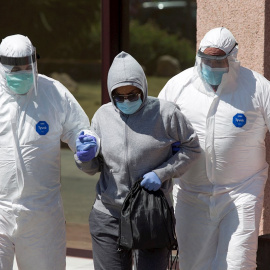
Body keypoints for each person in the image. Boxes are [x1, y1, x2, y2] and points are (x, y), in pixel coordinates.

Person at [74, 51, 200, 270]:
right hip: (108, 215)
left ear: (143, 87)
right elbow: (94, 167)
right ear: (111, 94)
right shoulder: (103, 116)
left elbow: (192, 148)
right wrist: (84, 158)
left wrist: (161, 173)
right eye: (119, 96)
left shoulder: (165, 113)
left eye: (133, 94)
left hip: (151, 214)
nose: (126, 101)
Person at [158, 26, 270, 270]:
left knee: (238, 263)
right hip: (190, 194)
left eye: (217, 60)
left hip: (241, 192)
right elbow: (156, 132)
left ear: (232, 57)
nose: (209, 66)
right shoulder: (179, 86)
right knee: (193, 264)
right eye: (205, 59)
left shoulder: (258, 88)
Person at [0, 34, 98, 270]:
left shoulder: (52, 92)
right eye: (15, 69)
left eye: (27, 67)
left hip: (42, 211)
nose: (22, 73)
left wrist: (85, 143)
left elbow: (78, 128)